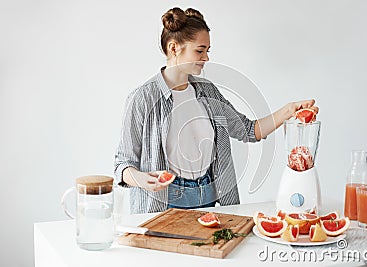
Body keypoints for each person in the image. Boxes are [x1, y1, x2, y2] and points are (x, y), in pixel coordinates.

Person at [114, 7, 318, 214]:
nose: (206, 58)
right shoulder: (143, 99)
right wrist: (141, 179)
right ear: (174, 48)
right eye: (199, 51)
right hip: (165, 203)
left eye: (207, 51)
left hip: (210, 199)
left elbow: (249, 130)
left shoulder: (208, 91)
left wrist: (288, 111)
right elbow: (122, 165)